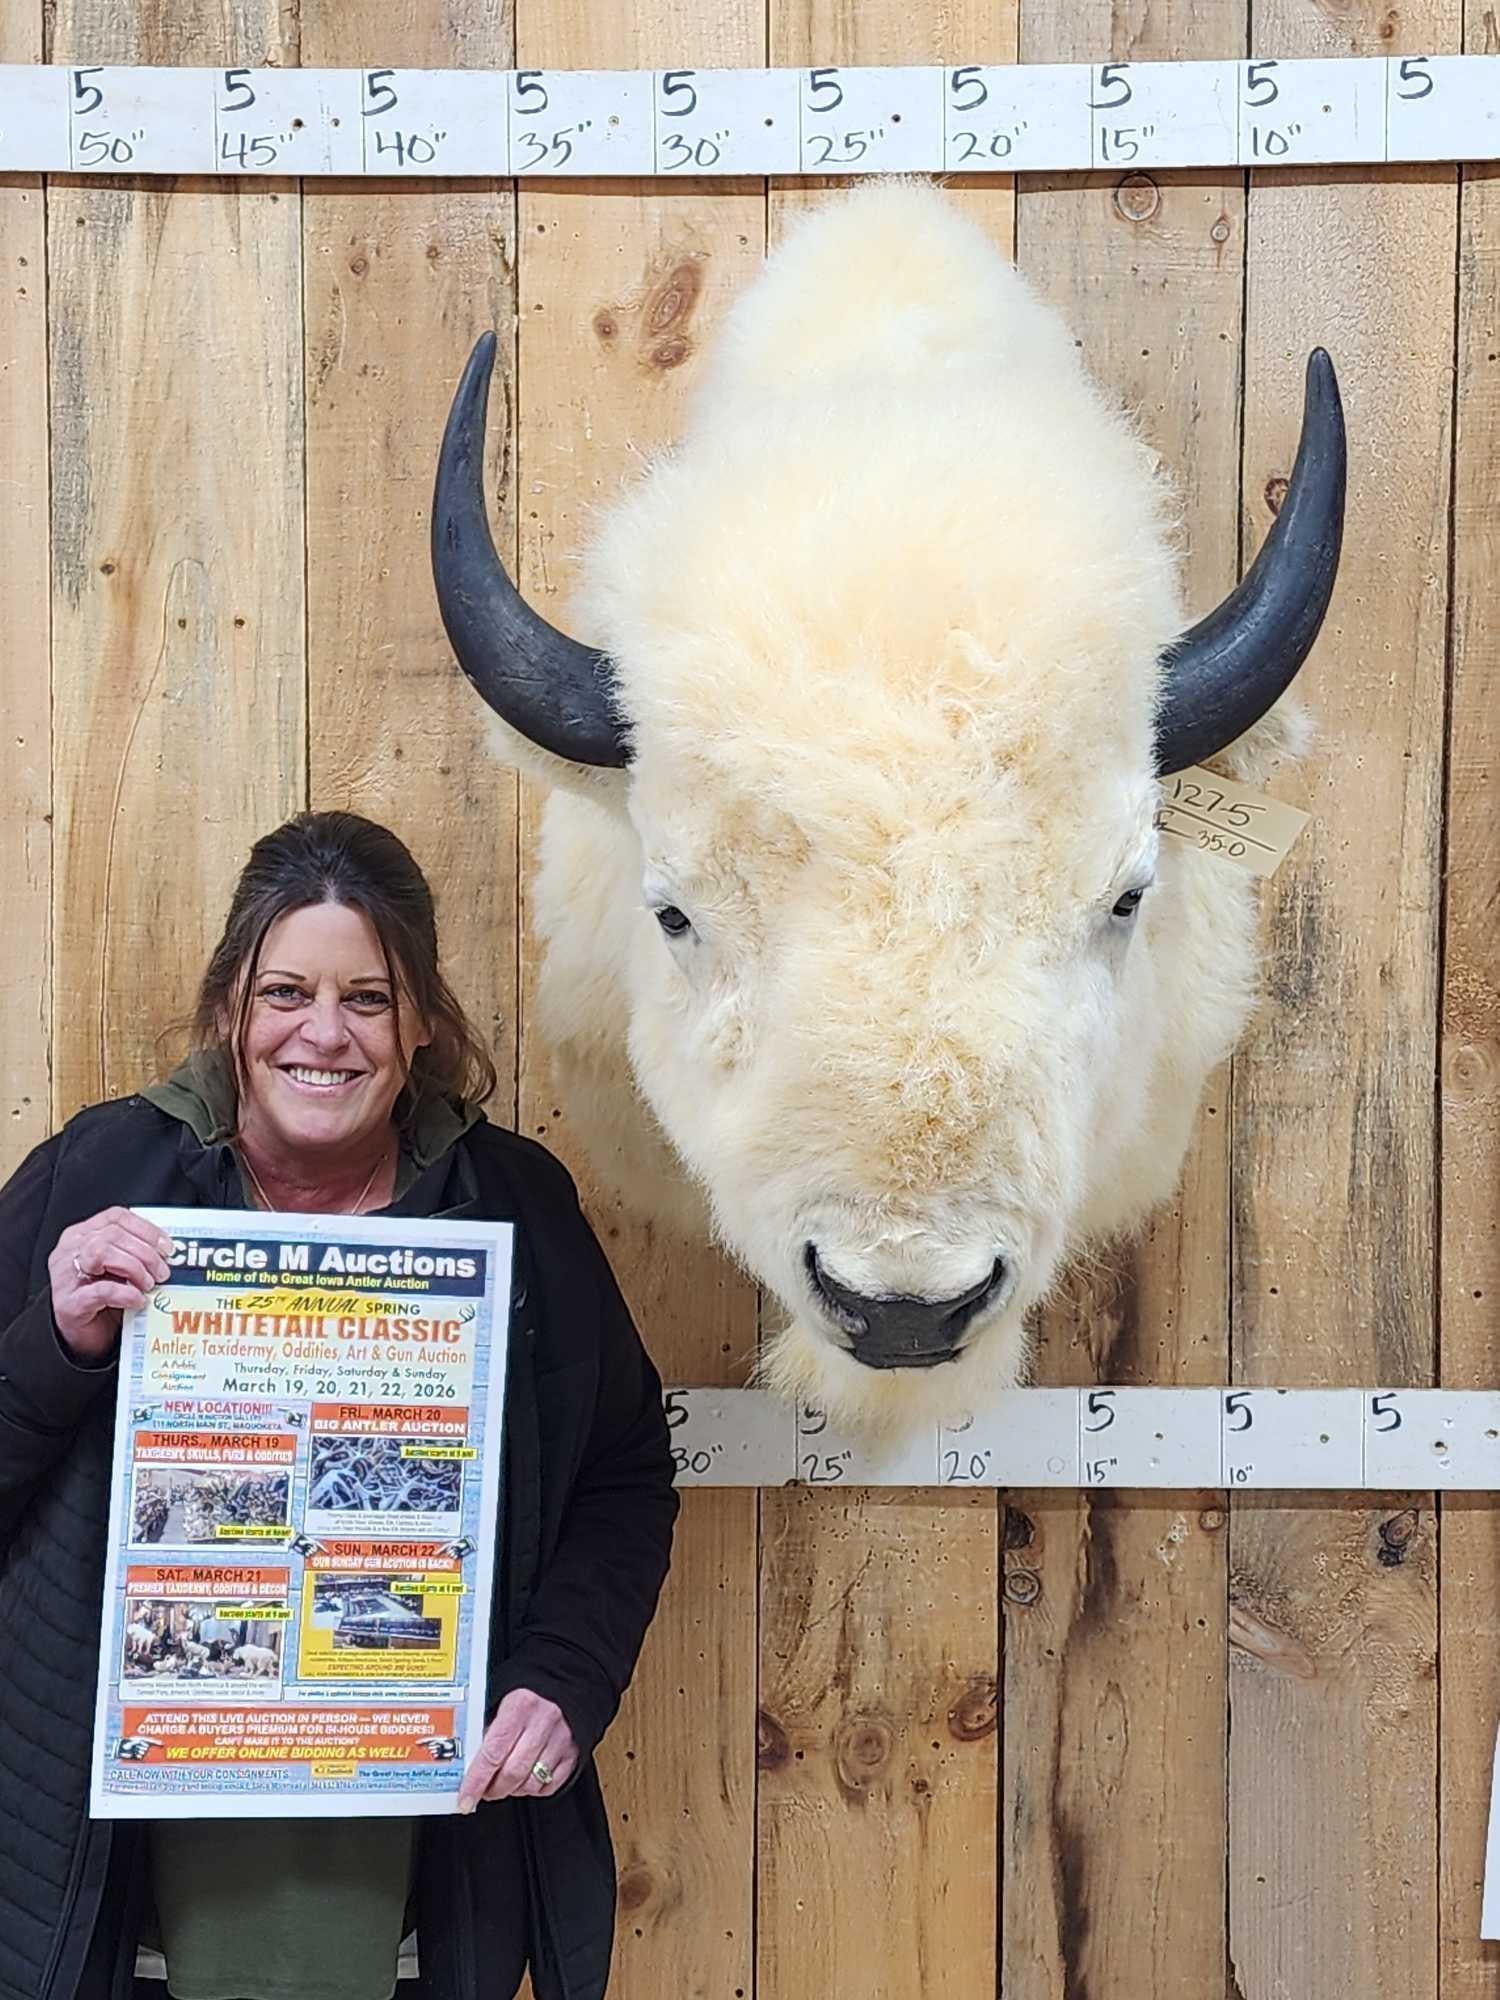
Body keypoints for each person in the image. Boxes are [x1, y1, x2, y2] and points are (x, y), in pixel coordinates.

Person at [0, 811, 680, 2000]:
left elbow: (625, 1471)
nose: (325, 1032)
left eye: (368, 996)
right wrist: (55, 1343)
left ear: (420, 1022)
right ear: (229, 1009)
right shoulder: (103, 1174)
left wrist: (565, 1675)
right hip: (112, 1888)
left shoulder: (513, 1207)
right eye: (286, 991)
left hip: (419, 1873)